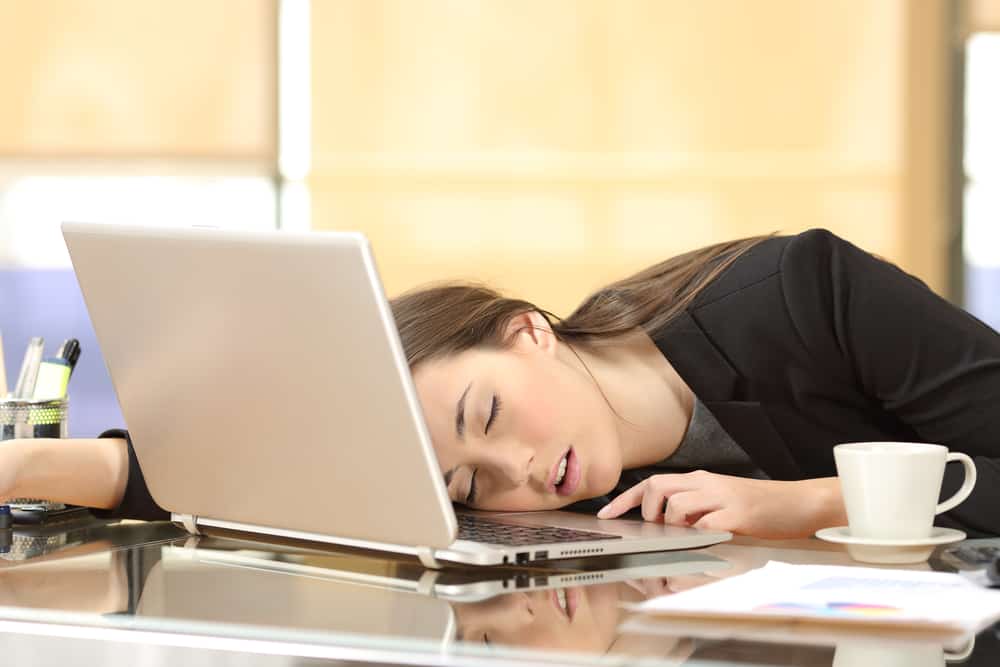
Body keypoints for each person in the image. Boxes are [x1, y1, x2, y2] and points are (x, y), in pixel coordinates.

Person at [2, 229, 999, 538]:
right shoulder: (528, 496)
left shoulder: (803, 293)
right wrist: (28, 462)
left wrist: (813, 502)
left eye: (483, 414)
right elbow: (246, 474)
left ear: (526, 331)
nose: (520, 473)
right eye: (471, 487)